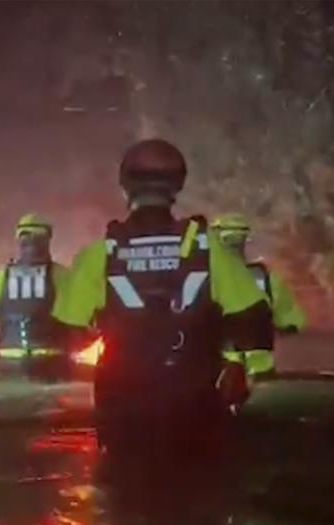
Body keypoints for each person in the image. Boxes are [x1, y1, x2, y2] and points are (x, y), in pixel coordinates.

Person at [51, 139, 273, 452]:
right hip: (195, 400)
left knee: (121, 491)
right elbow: (254, 319)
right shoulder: (209, 250)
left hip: (123, 405)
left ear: (125, 187)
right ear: (177, 186)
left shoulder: (99, 255)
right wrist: (237, 367)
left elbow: (67, 330)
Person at [0, 213, 74, 379]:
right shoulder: (64, 276)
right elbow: (80, 314)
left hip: (9, 361)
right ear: (48, 240)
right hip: (52, 363)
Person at [211, 213, 306, 378]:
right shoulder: (264, 277)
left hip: (224, 373)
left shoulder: (205, 280)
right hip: (257, 372)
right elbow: (290, 321)